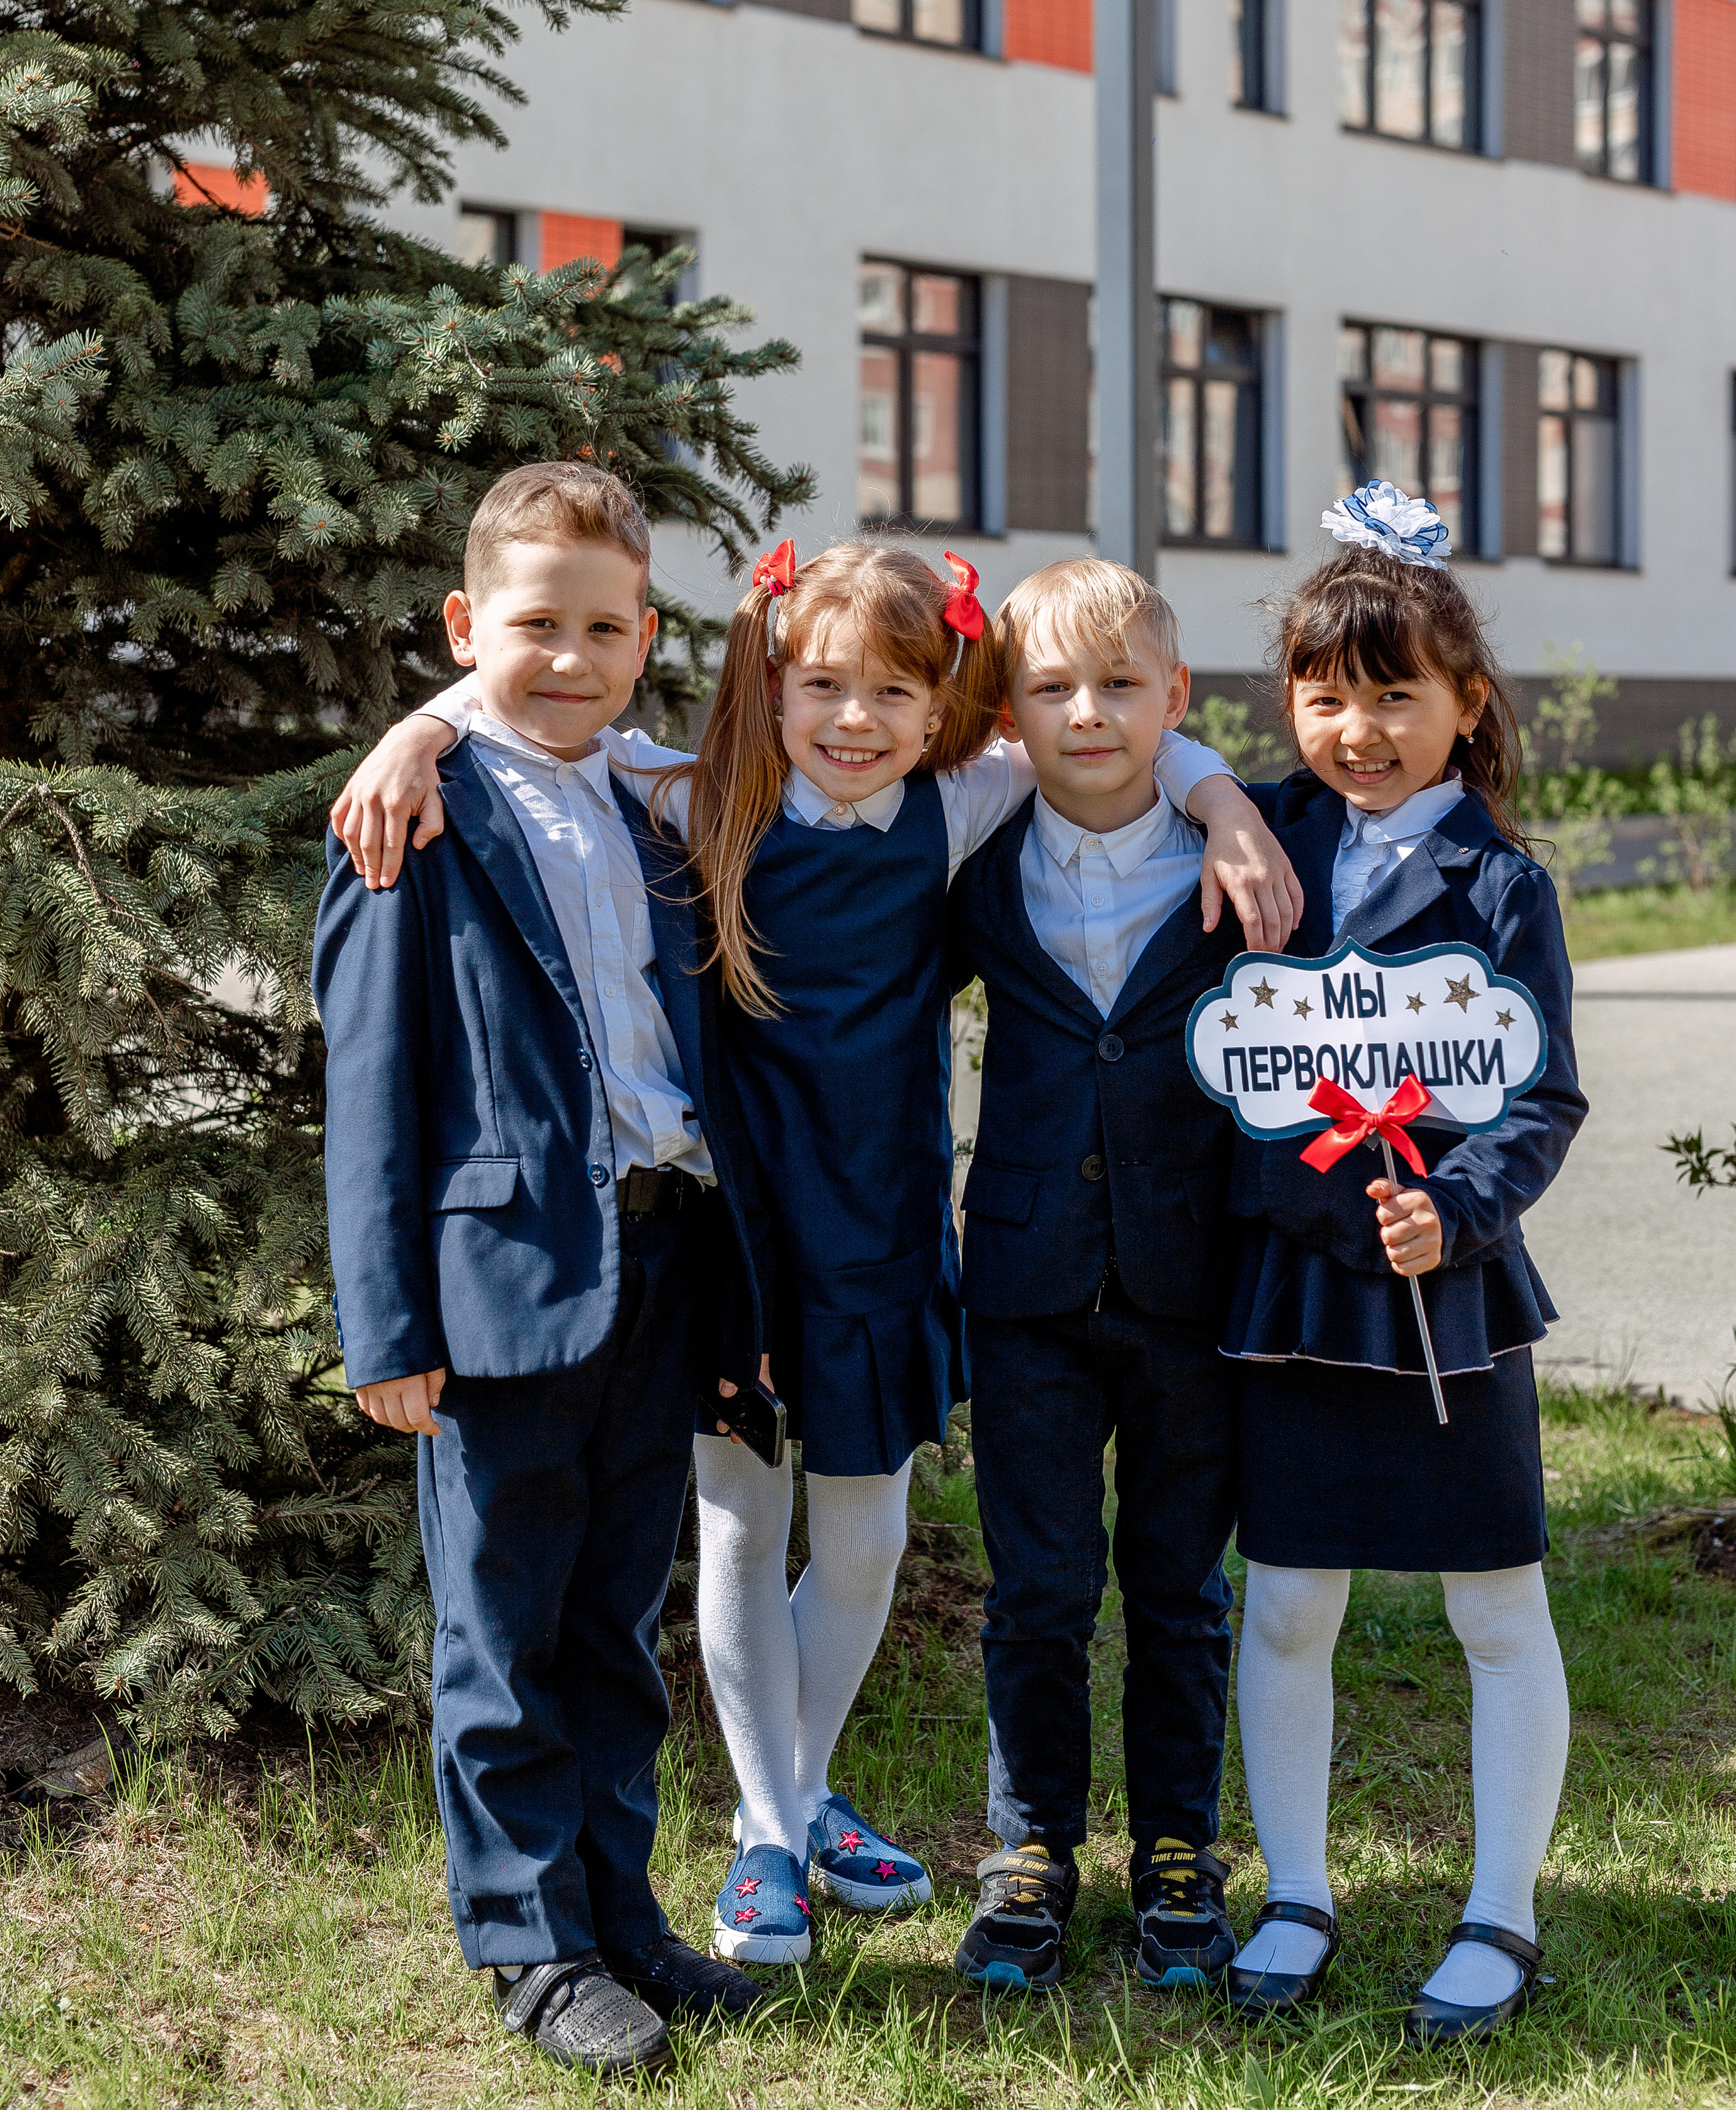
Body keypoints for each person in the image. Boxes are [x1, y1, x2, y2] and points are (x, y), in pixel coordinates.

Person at [332, 536, 1299, 1967]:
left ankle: (796, 1787)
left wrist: (1221, 800)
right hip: (739, 1230)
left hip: (886, 1224)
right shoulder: (694, 795)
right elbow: (535, 720)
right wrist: (416, 726)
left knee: (863, 1539)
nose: (854, 720)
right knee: (737, 1520)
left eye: (893, 692)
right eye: (822, 685)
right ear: (768, 682)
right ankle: (771, 1839)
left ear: (938, 706)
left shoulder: (957, 802)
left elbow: (1110, 732)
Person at [312, 461, 773, 2078]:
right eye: (532, 628)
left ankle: (620, 1918)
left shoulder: (654, 801)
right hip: (496, 1285)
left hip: (654, 1269)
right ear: (463, 627)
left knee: (611, 1622)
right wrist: (385, 1321)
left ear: (642, 638)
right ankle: (529, 1946)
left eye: (600, 628)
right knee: (503, 1633)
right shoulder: (416, 817)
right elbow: (370, 1085)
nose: (567, 658)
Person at [1219, 483, 1586, 2045]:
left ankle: (1497, 1912)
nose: (1356, 731)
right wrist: (1315, 1191)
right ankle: (1293, 1891)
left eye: (1393, 698)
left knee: (1494, 1611)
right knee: (1286, 1599)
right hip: (1299, 1279)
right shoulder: (1247, 836)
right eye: (1324, 697)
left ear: (1463, 704)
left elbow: (1545, 1092)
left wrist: (1460, 1204)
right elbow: (1221, 1061)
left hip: (1449, 1289)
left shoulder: (1504, 882)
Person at [943, 560, 1276, 1996]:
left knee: (1178, 1588)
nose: (1089, 714)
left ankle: (1180, 1853)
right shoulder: (965, 858)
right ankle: (1028, 1850)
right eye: (1051, 689)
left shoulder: (1241, 860)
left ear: (1173, 701)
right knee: (1035, 1585)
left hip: (1190, 1284)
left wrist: (1221, 797)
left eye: (1121, 686)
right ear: (1003, 716)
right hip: (1022, 1286)